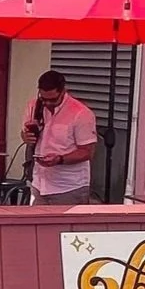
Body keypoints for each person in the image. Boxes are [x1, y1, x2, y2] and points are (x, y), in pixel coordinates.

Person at [22, 70, 99, 207]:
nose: (47, 103)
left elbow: (87, 152)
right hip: (39, 183)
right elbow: (25, 133)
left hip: (69, 186)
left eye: (52, 99)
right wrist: (26, 136)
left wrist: (60, 159)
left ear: (63, 91)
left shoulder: (81, 113)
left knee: (66, 228)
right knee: (38, 227)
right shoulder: (34, 106)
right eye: (43, 98)